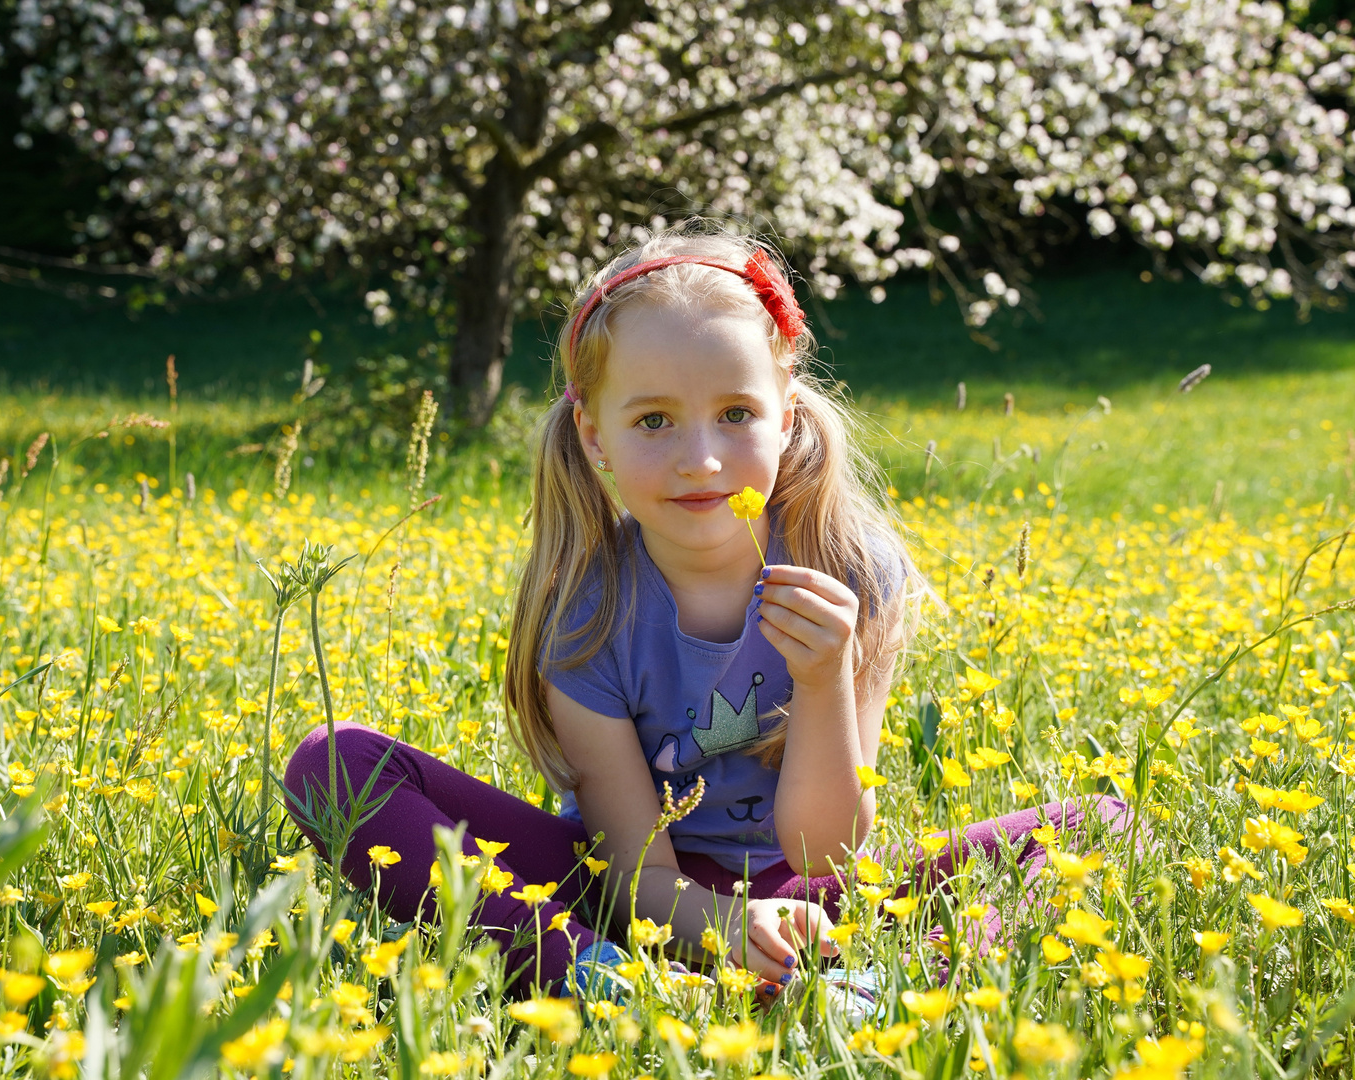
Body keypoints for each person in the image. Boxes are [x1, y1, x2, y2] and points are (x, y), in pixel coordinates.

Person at [282, 222, 1133, 1004]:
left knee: (1104, 821)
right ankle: (601, 979)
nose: (702, 460)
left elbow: (824, 855)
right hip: (620, 896)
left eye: (736, 414)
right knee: (332, 763)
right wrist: (722, 928)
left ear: (786, 412)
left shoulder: (851, 570)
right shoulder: (589, 614)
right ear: (594, 436)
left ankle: (867, 987)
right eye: (653, 420)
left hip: (807, 892)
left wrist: (826, 678)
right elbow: (632, 868)